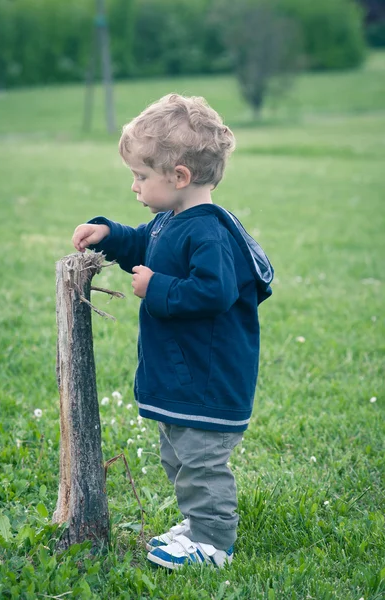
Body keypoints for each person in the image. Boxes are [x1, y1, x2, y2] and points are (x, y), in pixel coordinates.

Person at [72, 94, 273, 570]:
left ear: (179, 177)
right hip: (183, 379)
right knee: (178, 456)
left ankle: (213, 542)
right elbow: (145, 241)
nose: (134, 185)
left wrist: (156, 287)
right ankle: (197, 523)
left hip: (207, 380)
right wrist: (110, 234)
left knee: (201, 463)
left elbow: (214, 292)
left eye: (141, 176)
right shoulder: (172, 221)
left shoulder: (209, 233)